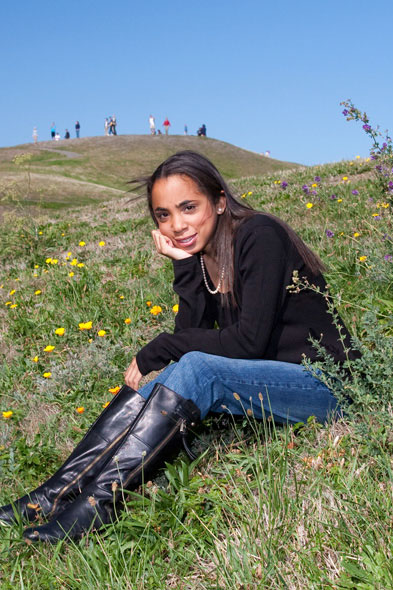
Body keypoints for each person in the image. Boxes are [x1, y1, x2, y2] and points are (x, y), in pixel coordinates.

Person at [0, 151, 359, 544]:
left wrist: (161, 347)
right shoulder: (205, 257)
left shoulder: (260, 235)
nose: (177, 225)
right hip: (276, 380)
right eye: (164, 215)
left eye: (189, 207)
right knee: (183, 371)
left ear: (220, 201)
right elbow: (194, 336)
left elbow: (247, 341)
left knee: (197, 369)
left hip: (329, 385)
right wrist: (185, 265)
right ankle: (52, 496)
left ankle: (95, 508)